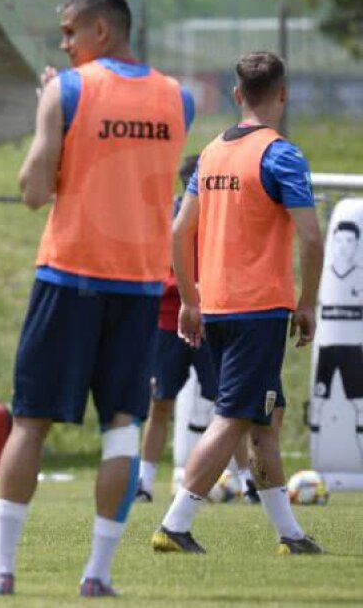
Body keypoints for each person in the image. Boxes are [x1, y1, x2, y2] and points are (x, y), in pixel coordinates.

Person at [0, 0, 192, 597]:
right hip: (142, 285)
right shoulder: (181, 98)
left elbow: (33, 189)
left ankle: (2, 570)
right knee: (122, 427)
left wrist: (52, 106)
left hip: (69, 277)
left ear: (100, 30)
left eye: (69, 32)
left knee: (31, 423)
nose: (64, 44)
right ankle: (97, 575)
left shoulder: (67, 90)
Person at [153, 51, 325, 556]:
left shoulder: (209, 154)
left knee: (263, 420)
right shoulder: (281, 155)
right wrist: (307, 303)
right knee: (232, 417)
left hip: (217, 306)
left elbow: (180, 232)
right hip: (259, 309)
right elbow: (312, 240)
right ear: (283, 93)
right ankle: (175, 522)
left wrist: (189, 298)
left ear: (236, 95)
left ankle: (290, 534)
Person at [136, 157, 260, 505]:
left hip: (212, 324)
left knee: (228, 408)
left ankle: (251, 484)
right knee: (160, 403)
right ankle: (144, 485)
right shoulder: (167, 221)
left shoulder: (225, 223)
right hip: (167, 323)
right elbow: (153, 269)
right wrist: (188, 288)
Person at [309, 219, 363, 463]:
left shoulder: (360, 275)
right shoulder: (322, 274)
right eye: (339, 241)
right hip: (327, 348)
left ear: (357, 244)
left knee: (360, 406)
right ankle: (317, 464)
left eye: (349, 241)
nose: (343, 246)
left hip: (354, 350)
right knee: (318, 404)